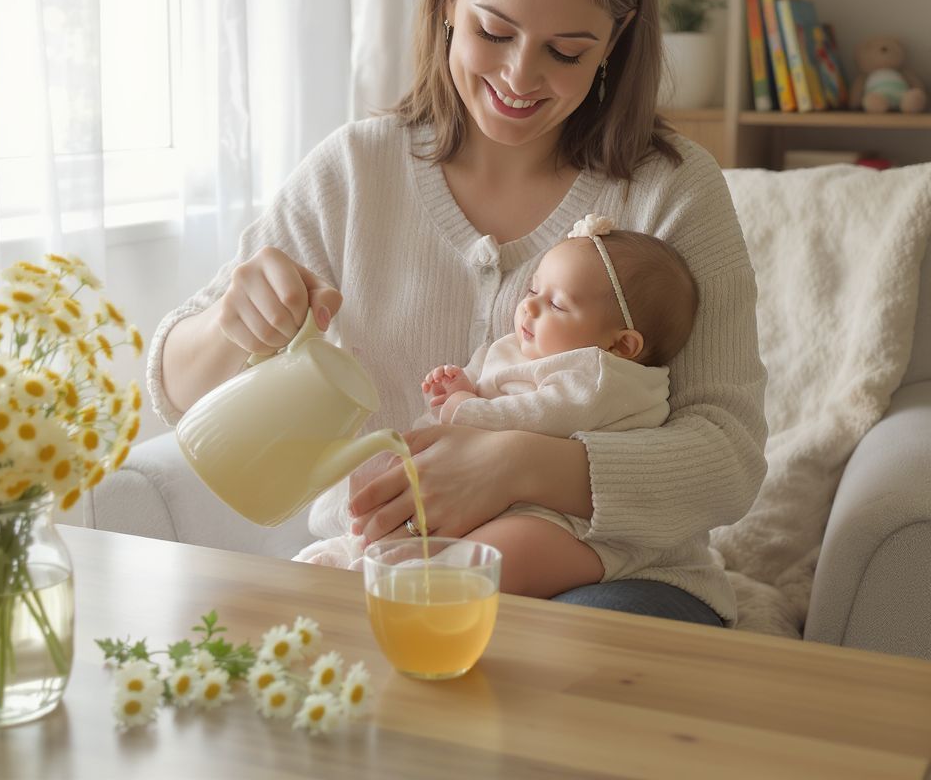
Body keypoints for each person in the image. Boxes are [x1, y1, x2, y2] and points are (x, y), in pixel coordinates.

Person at [148, 0, 768, 628]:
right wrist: (236, 319)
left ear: (616, 39)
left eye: (567, 50)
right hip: (382, 581)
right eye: (494, 31)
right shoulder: (355, 170)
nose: (520, 76)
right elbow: (175, 393)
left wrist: (520, 462)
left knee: (555, 677)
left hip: (616, 581)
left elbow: (728, 459)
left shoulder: (673, 189)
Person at [293, 214, 699, 600]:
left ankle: (421, 583)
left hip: (564, 517)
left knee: (509, 551)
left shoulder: (598, 374)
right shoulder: (518, 347)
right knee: (387, 473)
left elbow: (542, 415)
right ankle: (360, 553)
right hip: (483, 490)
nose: (530, 308)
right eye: (534, 290)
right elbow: (490, 381)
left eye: (557, 306)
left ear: (621, 344)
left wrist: (466, 408)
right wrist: (463, 384)